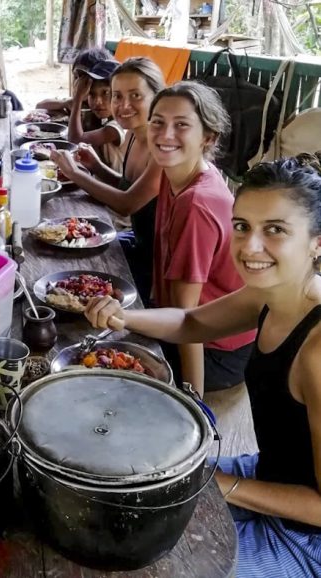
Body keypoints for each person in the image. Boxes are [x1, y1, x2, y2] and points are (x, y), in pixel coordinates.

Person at [85, 154, 321, 577]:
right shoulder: (271, 292)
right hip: (268, 474)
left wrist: (220, 485)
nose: (250, 247)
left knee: (157, 562)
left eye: (276, 230)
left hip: (307, 538)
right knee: (124, 492)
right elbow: (192, 321)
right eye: (243, 226)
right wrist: (124, 317)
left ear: (317, 242)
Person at [147, 81, 254, 395]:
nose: (166, 135)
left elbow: (190, 320)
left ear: (208, 137)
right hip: (188, 324)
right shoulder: (177, 173)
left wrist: (192, 399)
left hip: (217, 351)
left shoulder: (197, 203)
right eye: (158, 123)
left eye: (182, 125)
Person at [51, 57, 165, 304]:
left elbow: (127, 203)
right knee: (65, 255)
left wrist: (76, 173)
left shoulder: (162, 148)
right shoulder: (136, 136)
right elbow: (129, 186)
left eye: (136, 96)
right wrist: (97, 167)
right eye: (117, 96)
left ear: (157, 97)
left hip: (157, 264)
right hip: (137, 242)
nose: (124, 105)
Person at [65, 58, 125, 173]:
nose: (98, 101)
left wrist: (77, 99)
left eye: (106, 93)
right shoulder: (100, 118)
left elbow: (75, 140)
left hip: (113, 188)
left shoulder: (118, 127)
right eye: (92, 94)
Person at [35, 46, 113, 123]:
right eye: (76, 77)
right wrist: (64, 103)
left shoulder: (102, 105)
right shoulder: (74, 101)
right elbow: (39, 106)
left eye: (83, 77)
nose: (77, 82)